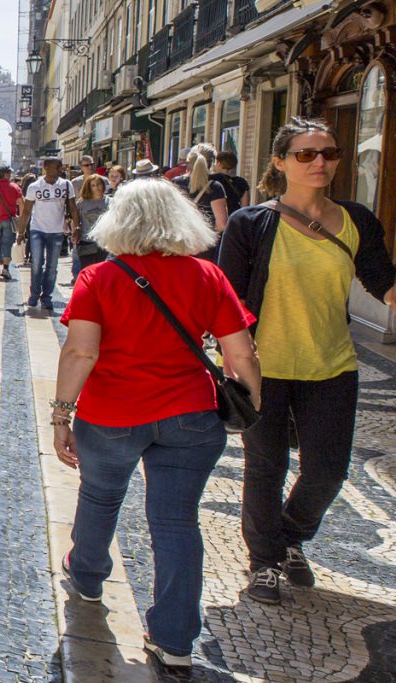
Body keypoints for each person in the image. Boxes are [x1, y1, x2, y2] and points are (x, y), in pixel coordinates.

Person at [54, 178, 261, 672]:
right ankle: (174, 640)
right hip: (190, 417)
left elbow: (81, 350)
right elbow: (241, 354)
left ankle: (86, 574)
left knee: (100, 496)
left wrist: (61, 414)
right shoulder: (207, 276)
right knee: (175, 522)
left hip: (111, 416)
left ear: (117, 221)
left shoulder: (98, 277)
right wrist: (252, 407)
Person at [217, 117, 396, 604]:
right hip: (264, 367)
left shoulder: (356, 220)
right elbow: (227, 299)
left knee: (328, 471)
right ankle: (266, 562)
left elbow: (383, 281)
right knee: (265, 467)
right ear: (280, 161)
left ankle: (290, 535)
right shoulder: (250, 224)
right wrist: (237, 362)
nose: (320, 162)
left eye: (330, 154)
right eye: (306, 154)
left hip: (332, 365)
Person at [18, 157, 79, 309]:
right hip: (37, 229)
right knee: (37, 264)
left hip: (57, 231)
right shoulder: (35, 186)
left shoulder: (66, 184)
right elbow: (26, 211)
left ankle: (47, 297)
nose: (61, 169)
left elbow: (72, 207)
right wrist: (20, 233)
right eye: (58, 166)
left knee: (52, 266)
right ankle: (34, 294)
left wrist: (76, 228)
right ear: (46, 167)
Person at [173, 143, 227, 260]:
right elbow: (222, 224)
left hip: (180, 244)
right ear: (212, 163)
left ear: (189, 160)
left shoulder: (176, 183)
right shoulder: (215, 187)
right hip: (205, 248)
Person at [74, 174, 111, 270]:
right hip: (86, 241)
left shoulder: (110, 202)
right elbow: (76, 221)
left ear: (103, 185)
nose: (97, 187)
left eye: (99, 184)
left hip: (105, 242)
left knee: (103, 271)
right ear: (89, 188)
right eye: (93, 185)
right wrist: (75, 231)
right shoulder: (81, 203)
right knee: (88, 270)